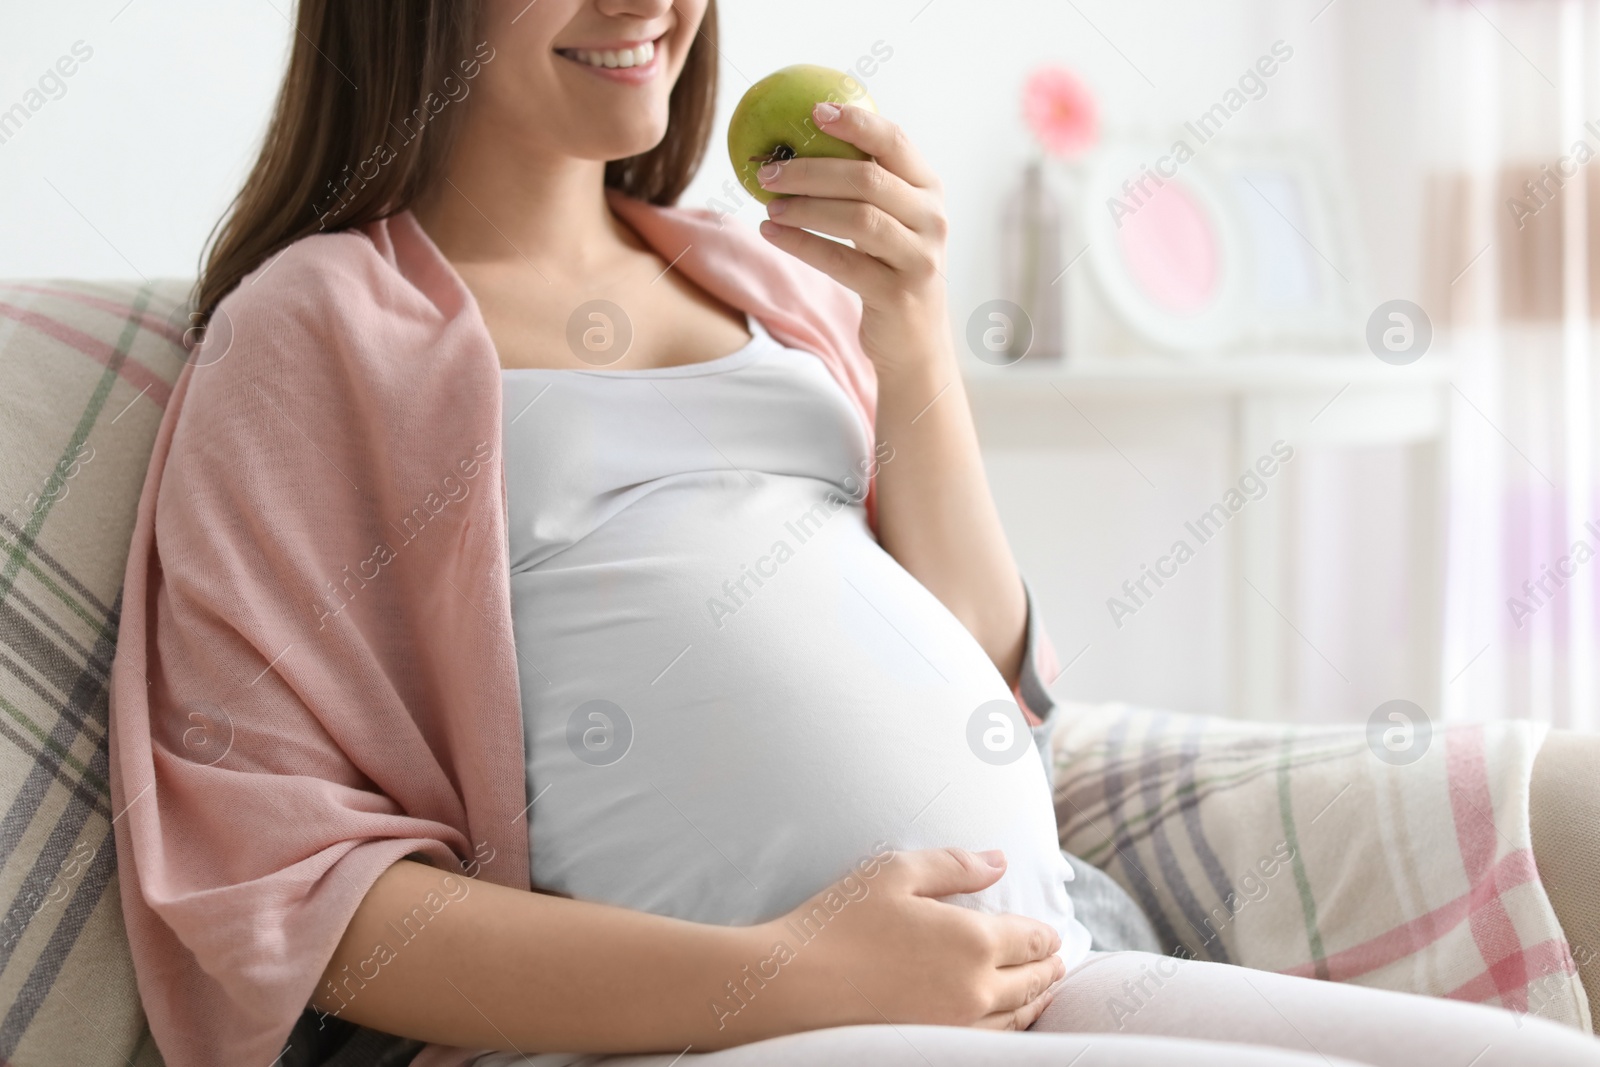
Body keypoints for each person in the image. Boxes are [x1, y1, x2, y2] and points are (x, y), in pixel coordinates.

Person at [107, 1, 1600, 1066]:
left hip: (1038, 960)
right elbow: (295, 896)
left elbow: (1001, 677)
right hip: (723, 1030)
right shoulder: (313, 331)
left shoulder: (770, 284)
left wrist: (912, 337)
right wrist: (776, 979)